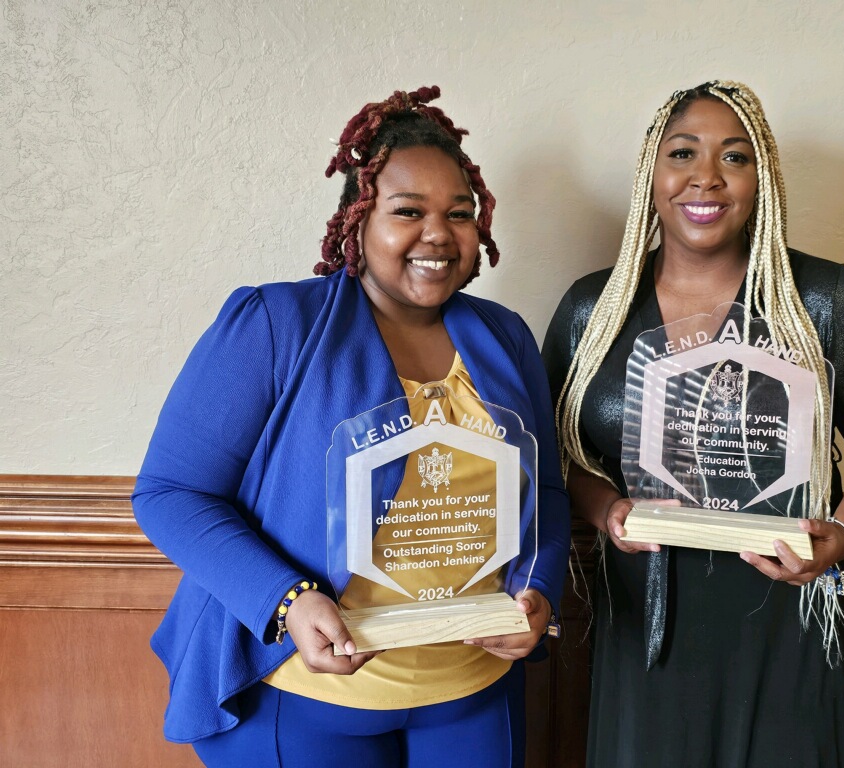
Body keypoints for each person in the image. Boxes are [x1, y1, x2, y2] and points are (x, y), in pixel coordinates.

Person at [133, 86, 570, 768]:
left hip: (473, 693)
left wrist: (538, 590)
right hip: (306, 696)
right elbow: (169, 493)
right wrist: (288, 601)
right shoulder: (277, 326)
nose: (438, 234)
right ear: (357, 217)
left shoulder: (505, 339)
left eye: (459, 214)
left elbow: (545, 496)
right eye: (408, 212)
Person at [542, 80, 844, 768]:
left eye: (735, 157)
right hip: (649, 627)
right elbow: (556, 450)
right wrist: (607, 508)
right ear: (651, 173)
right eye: (683, 153)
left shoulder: (822, 301)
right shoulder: (595, 309)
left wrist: (842, 537)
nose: (706, 177)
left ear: (763, 179)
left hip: (790, 626)